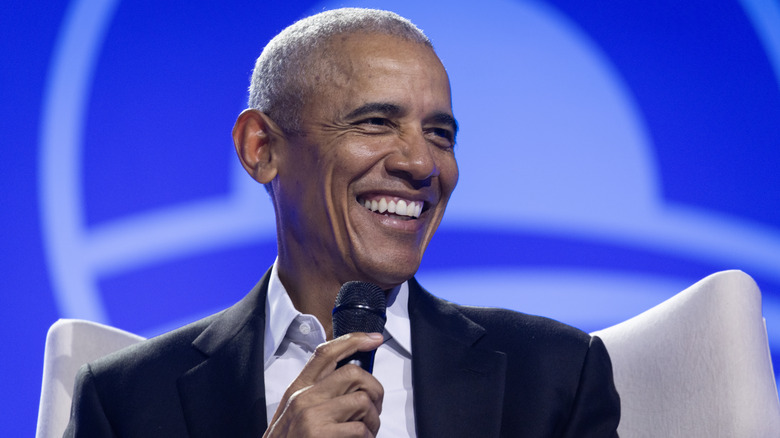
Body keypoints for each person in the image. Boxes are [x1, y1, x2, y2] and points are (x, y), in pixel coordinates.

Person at [65, 7, 620, 437]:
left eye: (440, 134)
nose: (422, 164)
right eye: (377, 122)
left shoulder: (553, 374)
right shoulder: (126, 400)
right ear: (261, 148)